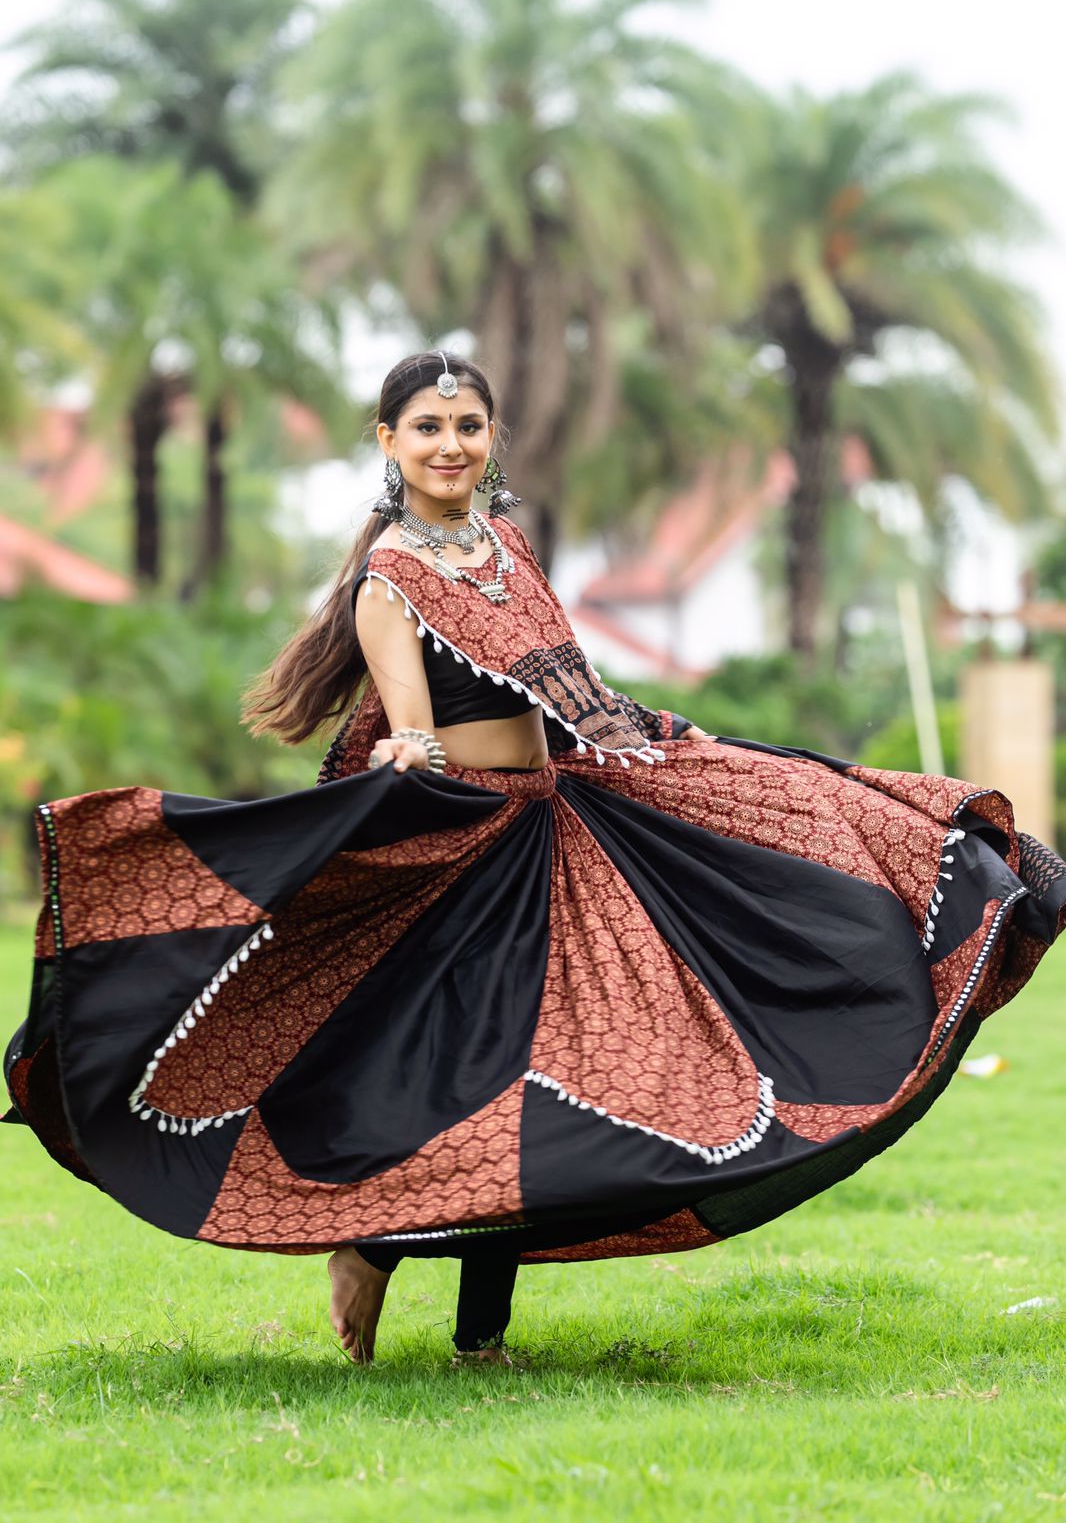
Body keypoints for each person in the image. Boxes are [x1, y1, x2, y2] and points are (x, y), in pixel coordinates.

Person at [5, 349, 1066, 1371]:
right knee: (493, 1094)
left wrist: (662, 741)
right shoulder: (393, 577)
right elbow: (411, 724)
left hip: (563, 820)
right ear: (388, 439)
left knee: (579, 1070)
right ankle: (372, 1245)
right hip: (470, 850)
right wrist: (404, 756)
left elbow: (570, 690)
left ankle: (470, 1331)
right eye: (427, 427)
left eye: (467, 425)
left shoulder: (506, 545)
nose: (451, 443)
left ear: (490, 434)